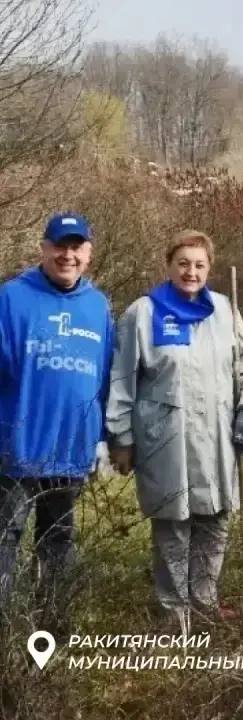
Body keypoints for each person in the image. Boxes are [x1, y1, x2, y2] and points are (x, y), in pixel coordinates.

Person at [107, 230, 243, 626]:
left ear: (209, 269)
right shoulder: (142, 313)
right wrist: (121, 437)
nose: (190, 272)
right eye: (183, 263)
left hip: (216, 436)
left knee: (215, 518)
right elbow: (122, 379)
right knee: (173, 522)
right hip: (166, 439)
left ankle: (204, 600)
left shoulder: (224, 310)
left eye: (199, 265)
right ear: (169, 265)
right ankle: (174, 610)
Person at [0, 212, 113, 628]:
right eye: (59, 246)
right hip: (16, 449)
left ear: (88, 253)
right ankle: (7, 634)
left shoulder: (98, 306)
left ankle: (52, 627)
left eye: (76, 247)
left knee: (59, 541)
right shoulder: (11, 298)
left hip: (70, 450)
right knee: (5, 538)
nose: (68, 255)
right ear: (44, 249)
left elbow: (104, 375)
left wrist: (101, 437)